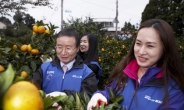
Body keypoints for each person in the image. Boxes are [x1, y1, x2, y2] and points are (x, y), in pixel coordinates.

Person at [87, 19, 184, 110]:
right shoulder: (126, 72)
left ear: (165, 49)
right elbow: (110, 91)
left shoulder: (174, 90)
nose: (141, 51)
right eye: (138, 43)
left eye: (150, 46)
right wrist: (101, 96)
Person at [31, 28, 98, 98]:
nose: (63, 53)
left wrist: (65, 96)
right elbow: (32, 90)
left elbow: (88, 97)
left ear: (77, 49)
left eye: (68, 48)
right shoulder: (44, 69)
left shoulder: (87, 73)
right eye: (59, 47)